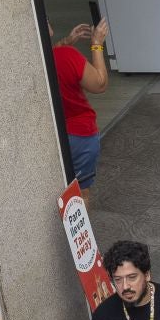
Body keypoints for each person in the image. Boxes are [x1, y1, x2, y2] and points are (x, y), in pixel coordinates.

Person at [52, 19, 109, 195]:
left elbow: (49, 57)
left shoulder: (37, 59)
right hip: (79, 134)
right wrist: (97, 44)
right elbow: (99, 84)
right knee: (80, 192)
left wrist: (64, 43)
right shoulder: (67, 55)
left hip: (53, 135)